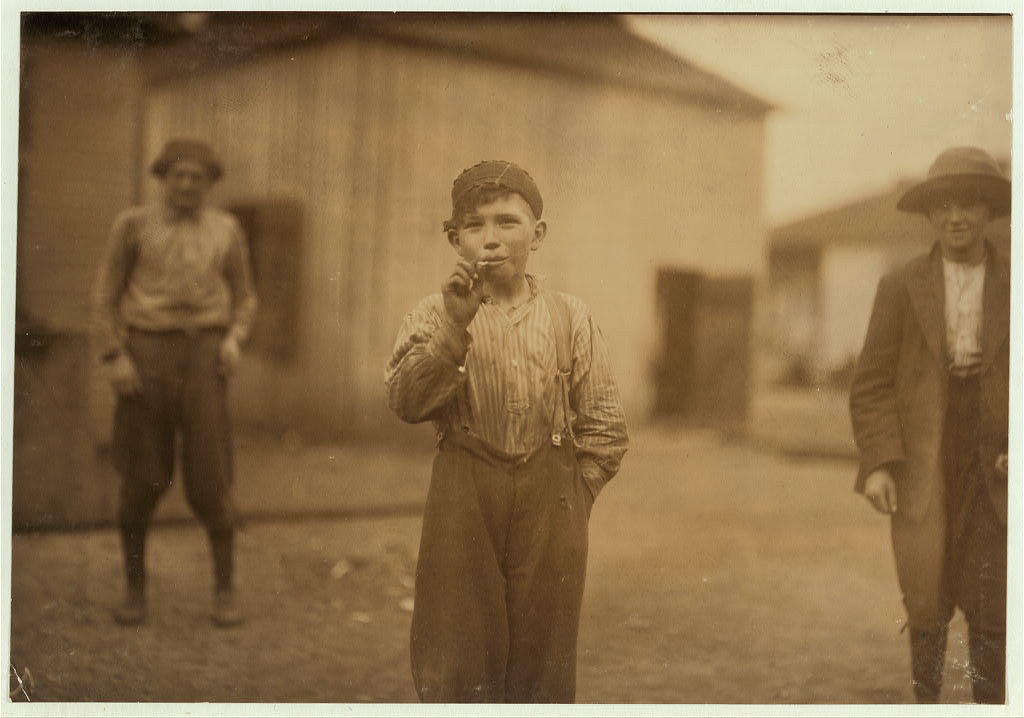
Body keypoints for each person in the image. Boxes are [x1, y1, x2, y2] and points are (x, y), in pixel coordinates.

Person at [385, 160, 628, 702]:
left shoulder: (571, 317)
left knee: (543, 659)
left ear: (537, 234)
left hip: (552, 501)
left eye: (507, 222)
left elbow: (606, 429)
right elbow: (406, 402)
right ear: (454, 238)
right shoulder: (433, 314)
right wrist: (455, 327)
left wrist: (574, 497)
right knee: (457, 653)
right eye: (474, 225)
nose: (490, 239)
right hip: (464, 494)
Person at [849, 146, 1009, 703]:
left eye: (969, 205)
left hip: (996, 462)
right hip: (924, 456)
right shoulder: (901, 285)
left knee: (995, 602)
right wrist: (878, 465)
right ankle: (928, 705)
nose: (956, 218)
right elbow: (871, 384)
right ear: (930, 217)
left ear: (990, 211)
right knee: (925, 598)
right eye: (943, 207)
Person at [92, 139, 257, 627]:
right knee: (143, 478)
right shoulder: (132, 225)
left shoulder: (226, 229)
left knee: (210, 478)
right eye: (177, 176)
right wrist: (114, 355)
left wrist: (234, 339)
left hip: (205, 356)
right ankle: (134, 589)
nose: (187, 185)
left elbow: (246, 297)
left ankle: (225, 592)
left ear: (210, 184)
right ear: (162, 178)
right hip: (146, 354)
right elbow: (104, 297)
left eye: (198, 177)